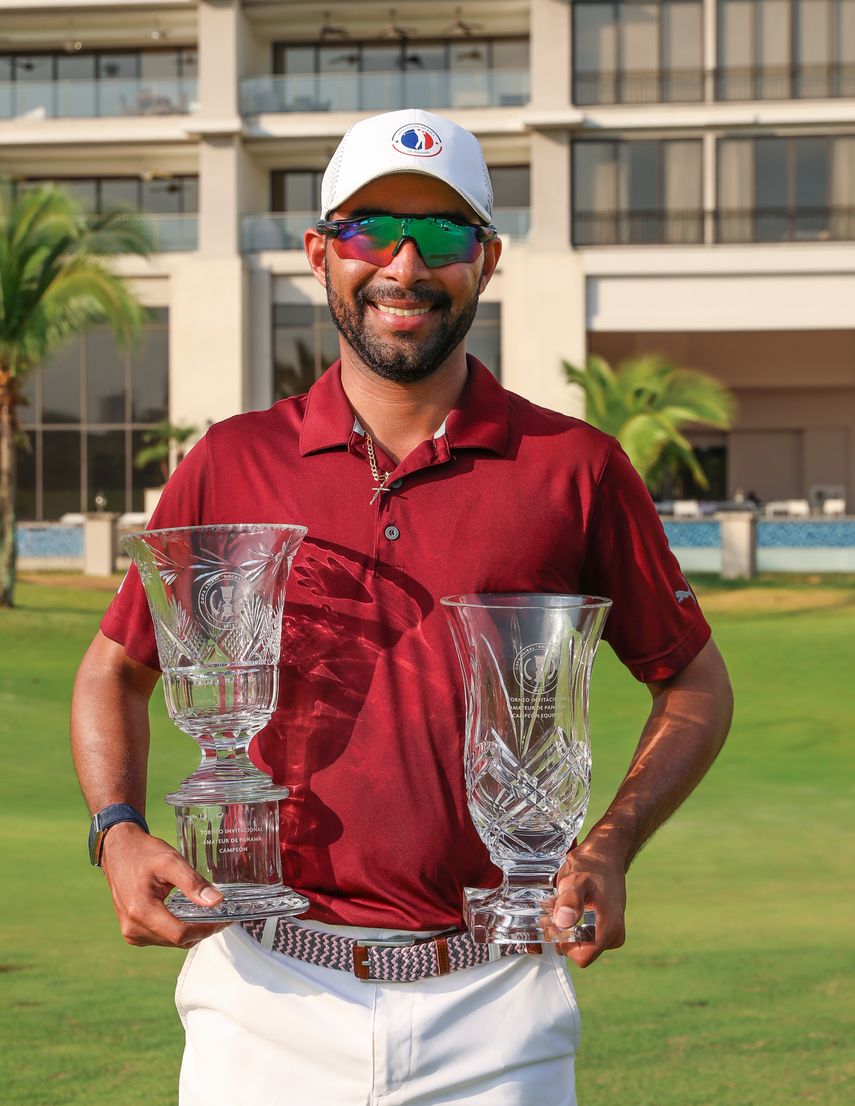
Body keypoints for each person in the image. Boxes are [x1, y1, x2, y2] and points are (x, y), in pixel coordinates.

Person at [71, 108, 732, 1106]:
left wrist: (609, 844)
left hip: (497, 1001)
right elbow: (112, 668)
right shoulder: (230, 460)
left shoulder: (576, 469)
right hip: (262, 991)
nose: (407, 264)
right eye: (372, 230)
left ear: (490, 258)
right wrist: (116, 828)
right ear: (320, 252)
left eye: (447, 234)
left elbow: (695, 685)